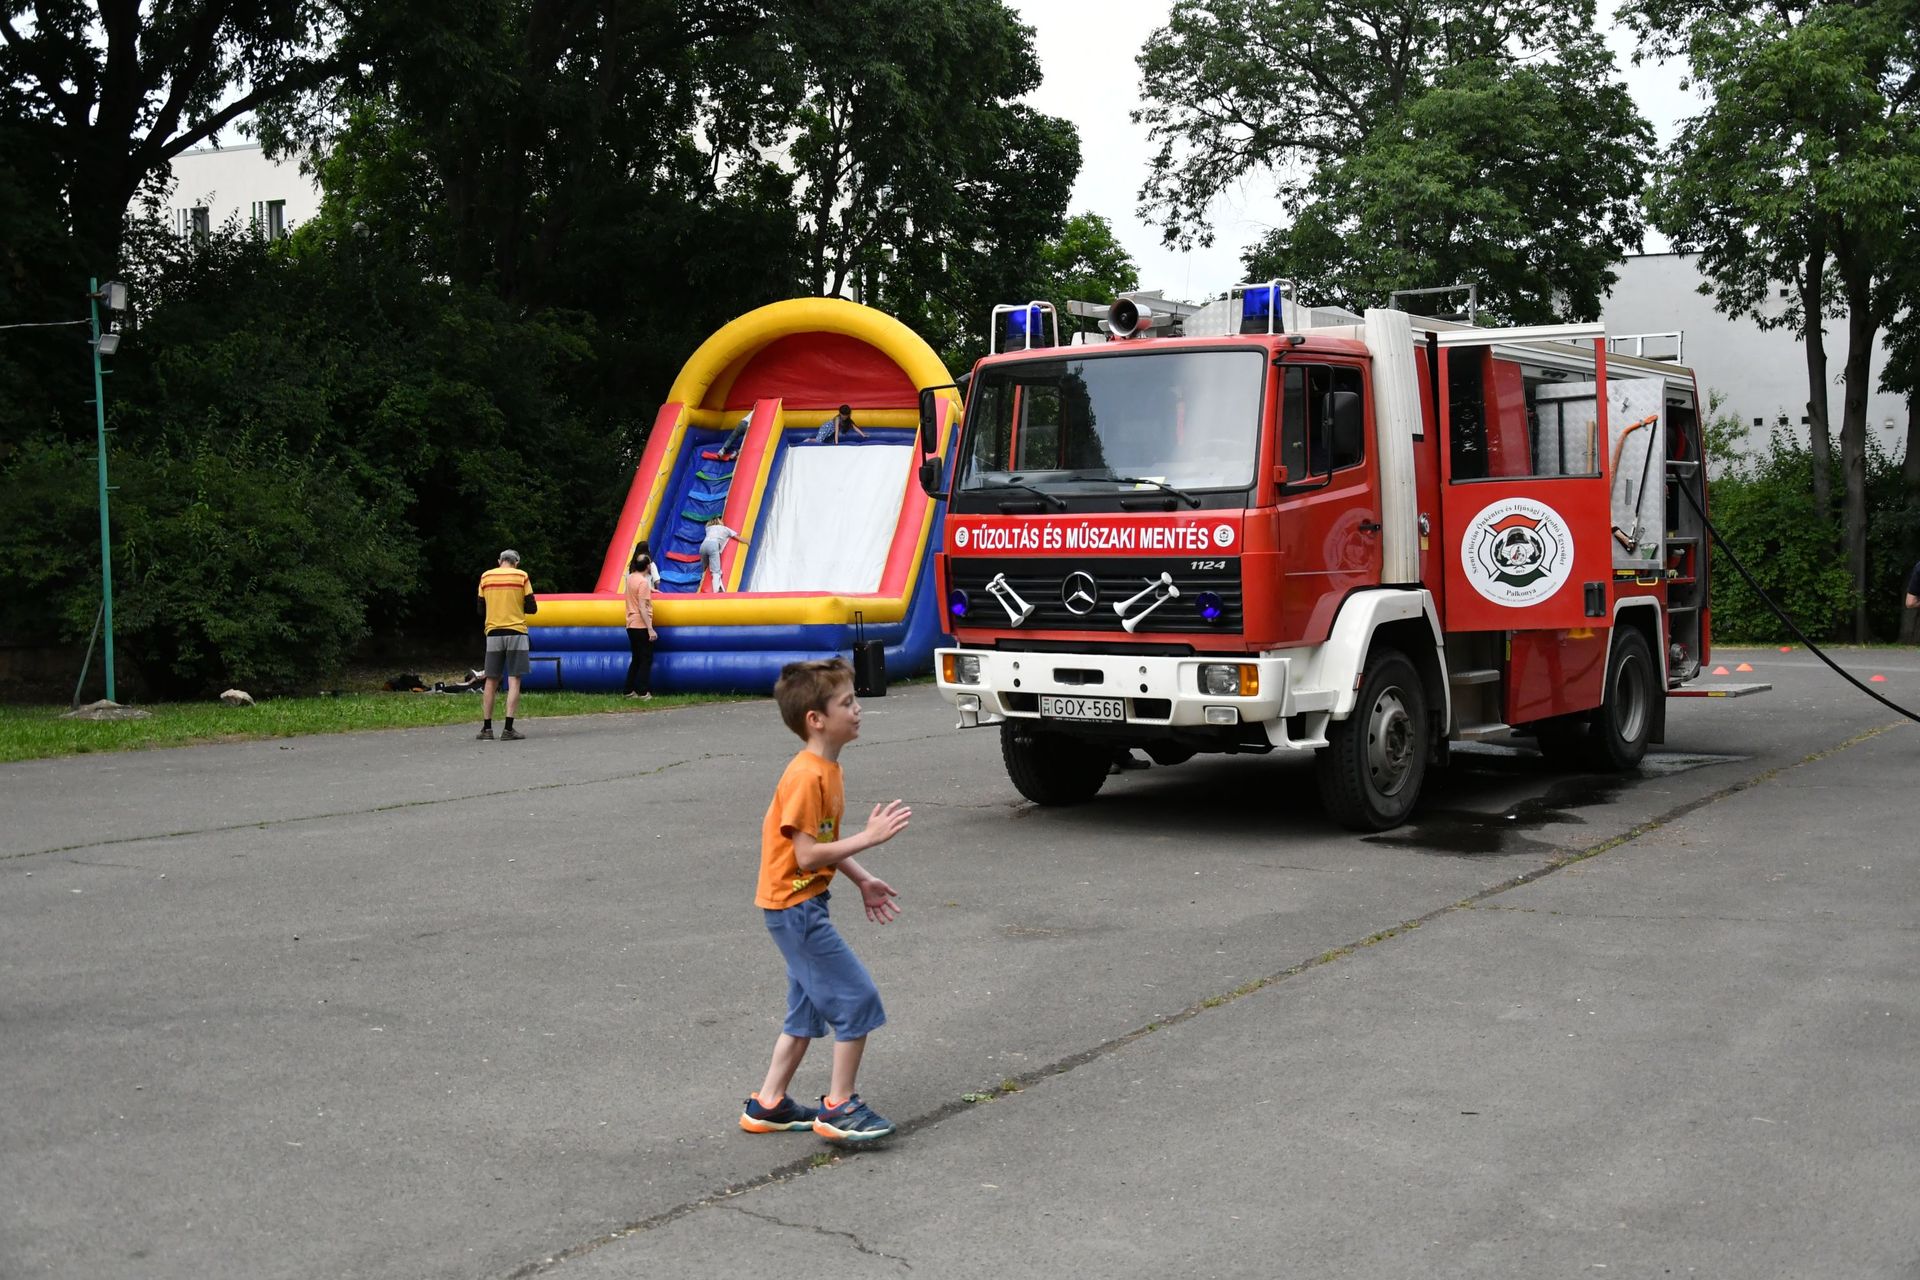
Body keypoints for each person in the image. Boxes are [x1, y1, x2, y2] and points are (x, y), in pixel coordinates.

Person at [740, 658, 911, 1143]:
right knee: (856, 998)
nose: (858, 710)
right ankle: (839, 1106)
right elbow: (808, 854)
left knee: (807, 1009)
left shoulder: (826, 769)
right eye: (847, 703)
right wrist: (870, 838)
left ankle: (768, 1103)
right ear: (816, 719)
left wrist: (862, 879)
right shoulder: (805, 776)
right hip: (794, 909)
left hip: (800, 905)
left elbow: (824, 843)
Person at [476, 549, 538, 740]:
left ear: (499, 561)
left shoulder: (486, 577)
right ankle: (508, 728)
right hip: (516, 632)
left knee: (491, 679)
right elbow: (532, 608)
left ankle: (487, 728)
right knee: (514, 679)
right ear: (516, 563)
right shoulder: (522, 576)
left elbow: (480, 609)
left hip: (493, 632)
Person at [623, 548, 657, 699]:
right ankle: (643, 691)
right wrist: (650, 629)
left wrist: (650, 590)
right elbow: (642, 607)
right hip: (640, 624)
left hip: (631, 623)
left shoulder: (631, 577)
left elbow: (635, 591)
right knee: (646, 658)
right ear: (648, 566)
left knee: (636, 659)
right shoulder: (643, 582)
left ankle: (628, 690)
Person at [700, 516, 748, 593]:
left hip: (703, 546)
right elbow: (737, 537)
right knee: (716, 572)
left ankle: (703, 575)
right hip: (713, 545)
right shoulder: (725, 529)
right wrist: (747, 541)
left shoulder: (708, 529)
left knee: (705, 564)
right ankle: (716, 591)